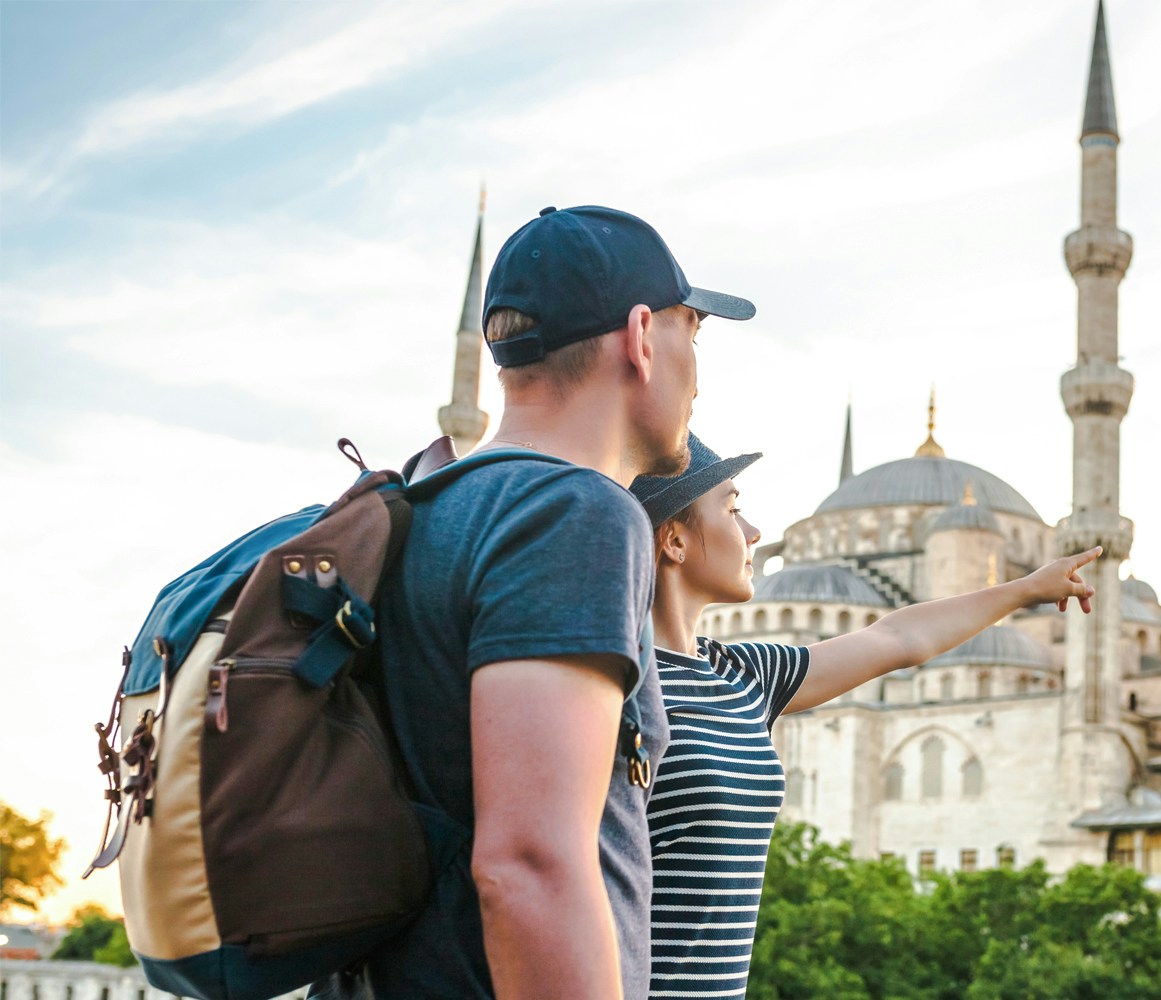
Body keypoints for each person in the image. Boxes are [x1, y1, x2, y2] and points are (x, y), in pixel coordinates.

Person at [313, 206, 755, 1000]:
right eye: (696, 333)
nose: (700, 370)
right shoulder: (575, 513)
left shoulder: (429, 498)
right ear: (642, 335)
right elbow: (530, 866)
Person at [628, 435, 1101, 999]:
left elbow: (898, 637)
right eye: (732, 510)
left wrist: (1024, 590)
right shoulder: (619, 681)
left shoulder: (743, 673)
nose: (754, 532)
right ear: (674, 539)